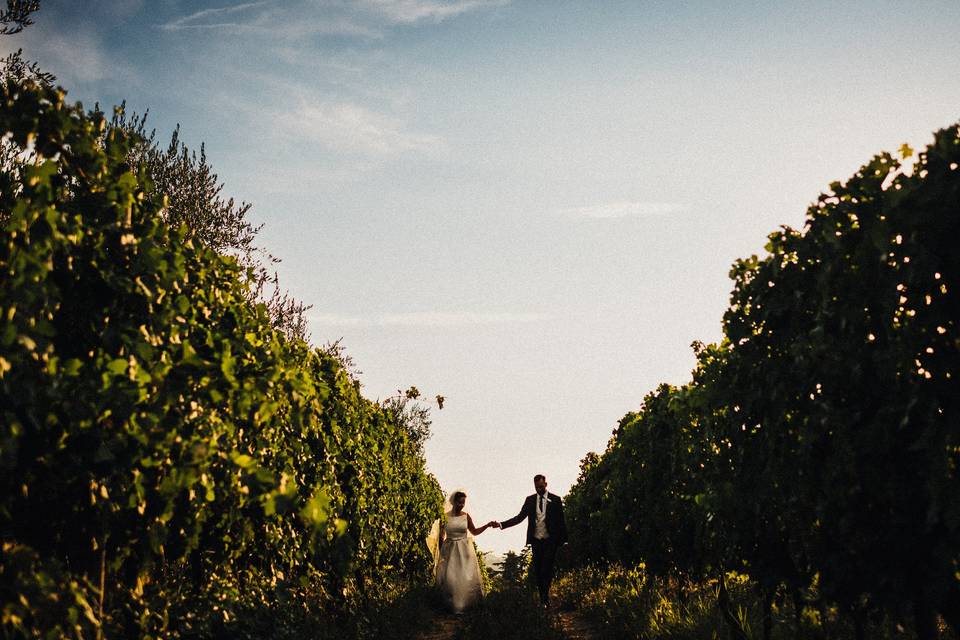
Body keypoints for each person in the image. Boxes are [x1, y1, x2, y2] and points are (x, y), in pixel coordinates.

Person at [495, 474, 567, 607]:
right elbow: (519, 517)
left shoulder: (556, 500)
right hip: (536, 540)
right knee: (539, 570)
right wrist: (501, 524)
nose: (539, 489)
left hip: (550, 540)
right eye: (536, 487)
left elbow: (561, 521)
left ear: (546, 484)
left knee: (547, 568)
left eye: (541, 486)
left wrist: (564, 541)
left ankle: (545, 598)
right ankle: (542, 597)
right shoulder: (530, 500)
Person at [426, 490, 499, 613]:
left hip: (464, 550)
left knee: (465, 576)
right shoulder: (445, 517)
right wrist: (441, 551)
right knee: (451, 577)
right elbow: (441, 536)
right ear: (454, 502)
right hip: (449, 549)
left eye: (463, 503)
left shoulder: (466, 516)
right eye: (460, 502)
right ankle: (451, 605)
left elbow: (474, 531)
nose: (462, 505)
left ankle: (465, 605)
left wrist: (486, 525)